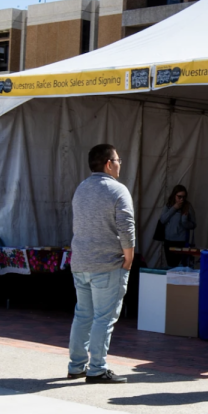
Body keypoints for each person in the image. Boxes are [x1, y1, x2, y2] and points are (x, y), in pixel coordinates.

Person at [67, 144, 136, 384]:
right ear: (108, 163)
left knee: (83, 315)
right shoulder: (118, 190)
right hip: (107, 263)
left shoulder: (81, 188)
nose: (120, 164)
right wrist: (129, 257)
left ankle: (76, 365)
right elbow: (126, 227)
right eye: (117, 160)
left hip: (81, 261)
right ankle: (97, 368)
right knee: (103, 318)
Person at [157, 185, 195, 268]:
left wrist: (184, 222)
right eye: (179, 197)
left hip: (181, 240)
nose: (181, 199)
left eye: (184, 197)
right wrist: (174, 208)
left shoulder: (187, 206)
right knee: (170, 265)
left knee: (180, 265)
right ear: (174, 195)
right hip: (168, 240)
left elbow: (193, 224)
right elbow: (162, 220)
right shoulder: (168, 206)